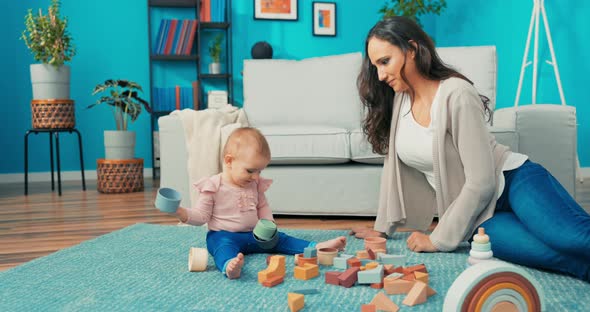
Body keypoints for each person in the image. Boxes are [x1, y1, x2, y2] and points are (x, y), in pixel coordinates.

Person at [352, 16, 590, 282]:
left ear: (411, 49)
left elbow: (482, 181)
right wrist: (382, 230)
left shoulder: (457, 93)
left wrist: (439, 238)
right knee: (555, 256)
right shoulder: (401, 99)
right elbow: (393, 171)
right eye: (375, 66)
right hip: (480, 215)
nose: (380, 75)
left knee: (573, 239)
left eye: (385, 62)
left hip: (512, 182)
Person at [172, 127, 347, 279]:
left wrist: (268, 223)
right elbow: (201, 216)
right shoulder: (213, 186)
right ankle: (229, 266)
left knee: (282, 239)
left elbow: (262, 206)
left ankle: (315, 247)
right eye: (250, 171)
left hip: (254, 235)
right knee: (221, 248)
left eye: (260, 171)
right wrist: (182, 212)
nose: (256, 177)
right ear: (229, 161)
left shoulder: (254, 183)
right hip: (224, 235)